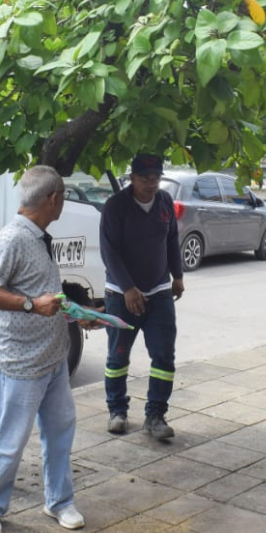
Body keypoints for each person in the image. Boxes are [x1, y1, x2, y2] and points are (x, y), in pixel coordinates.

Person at [0, 166, 83, 533]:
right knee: (11, 439)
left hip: (52, 359)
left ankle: (59, 501)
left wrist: (77, 314)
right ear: (53, 199)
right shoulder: (12, 238)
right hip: (21, 363)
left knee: (60, 433)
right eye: (63, 197)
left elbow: (44, 294)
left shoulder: (39, 237)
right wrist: (31, 306)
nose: (63, 203)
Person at [100, 153, 185, 440]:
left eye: (156, 178)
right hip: (120, 294)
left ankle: (156, 414)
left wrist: (178, 276)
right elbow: (108, 251)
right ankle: (117, 410)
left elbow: (172, 239)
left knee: (164, 355)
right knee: (118, 355)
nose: (152, 184)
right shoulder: (116, 207)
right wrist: (127, 288)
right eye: (145, 178)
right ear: (132, 179)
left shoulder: (164, 204)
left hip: (159, 291)